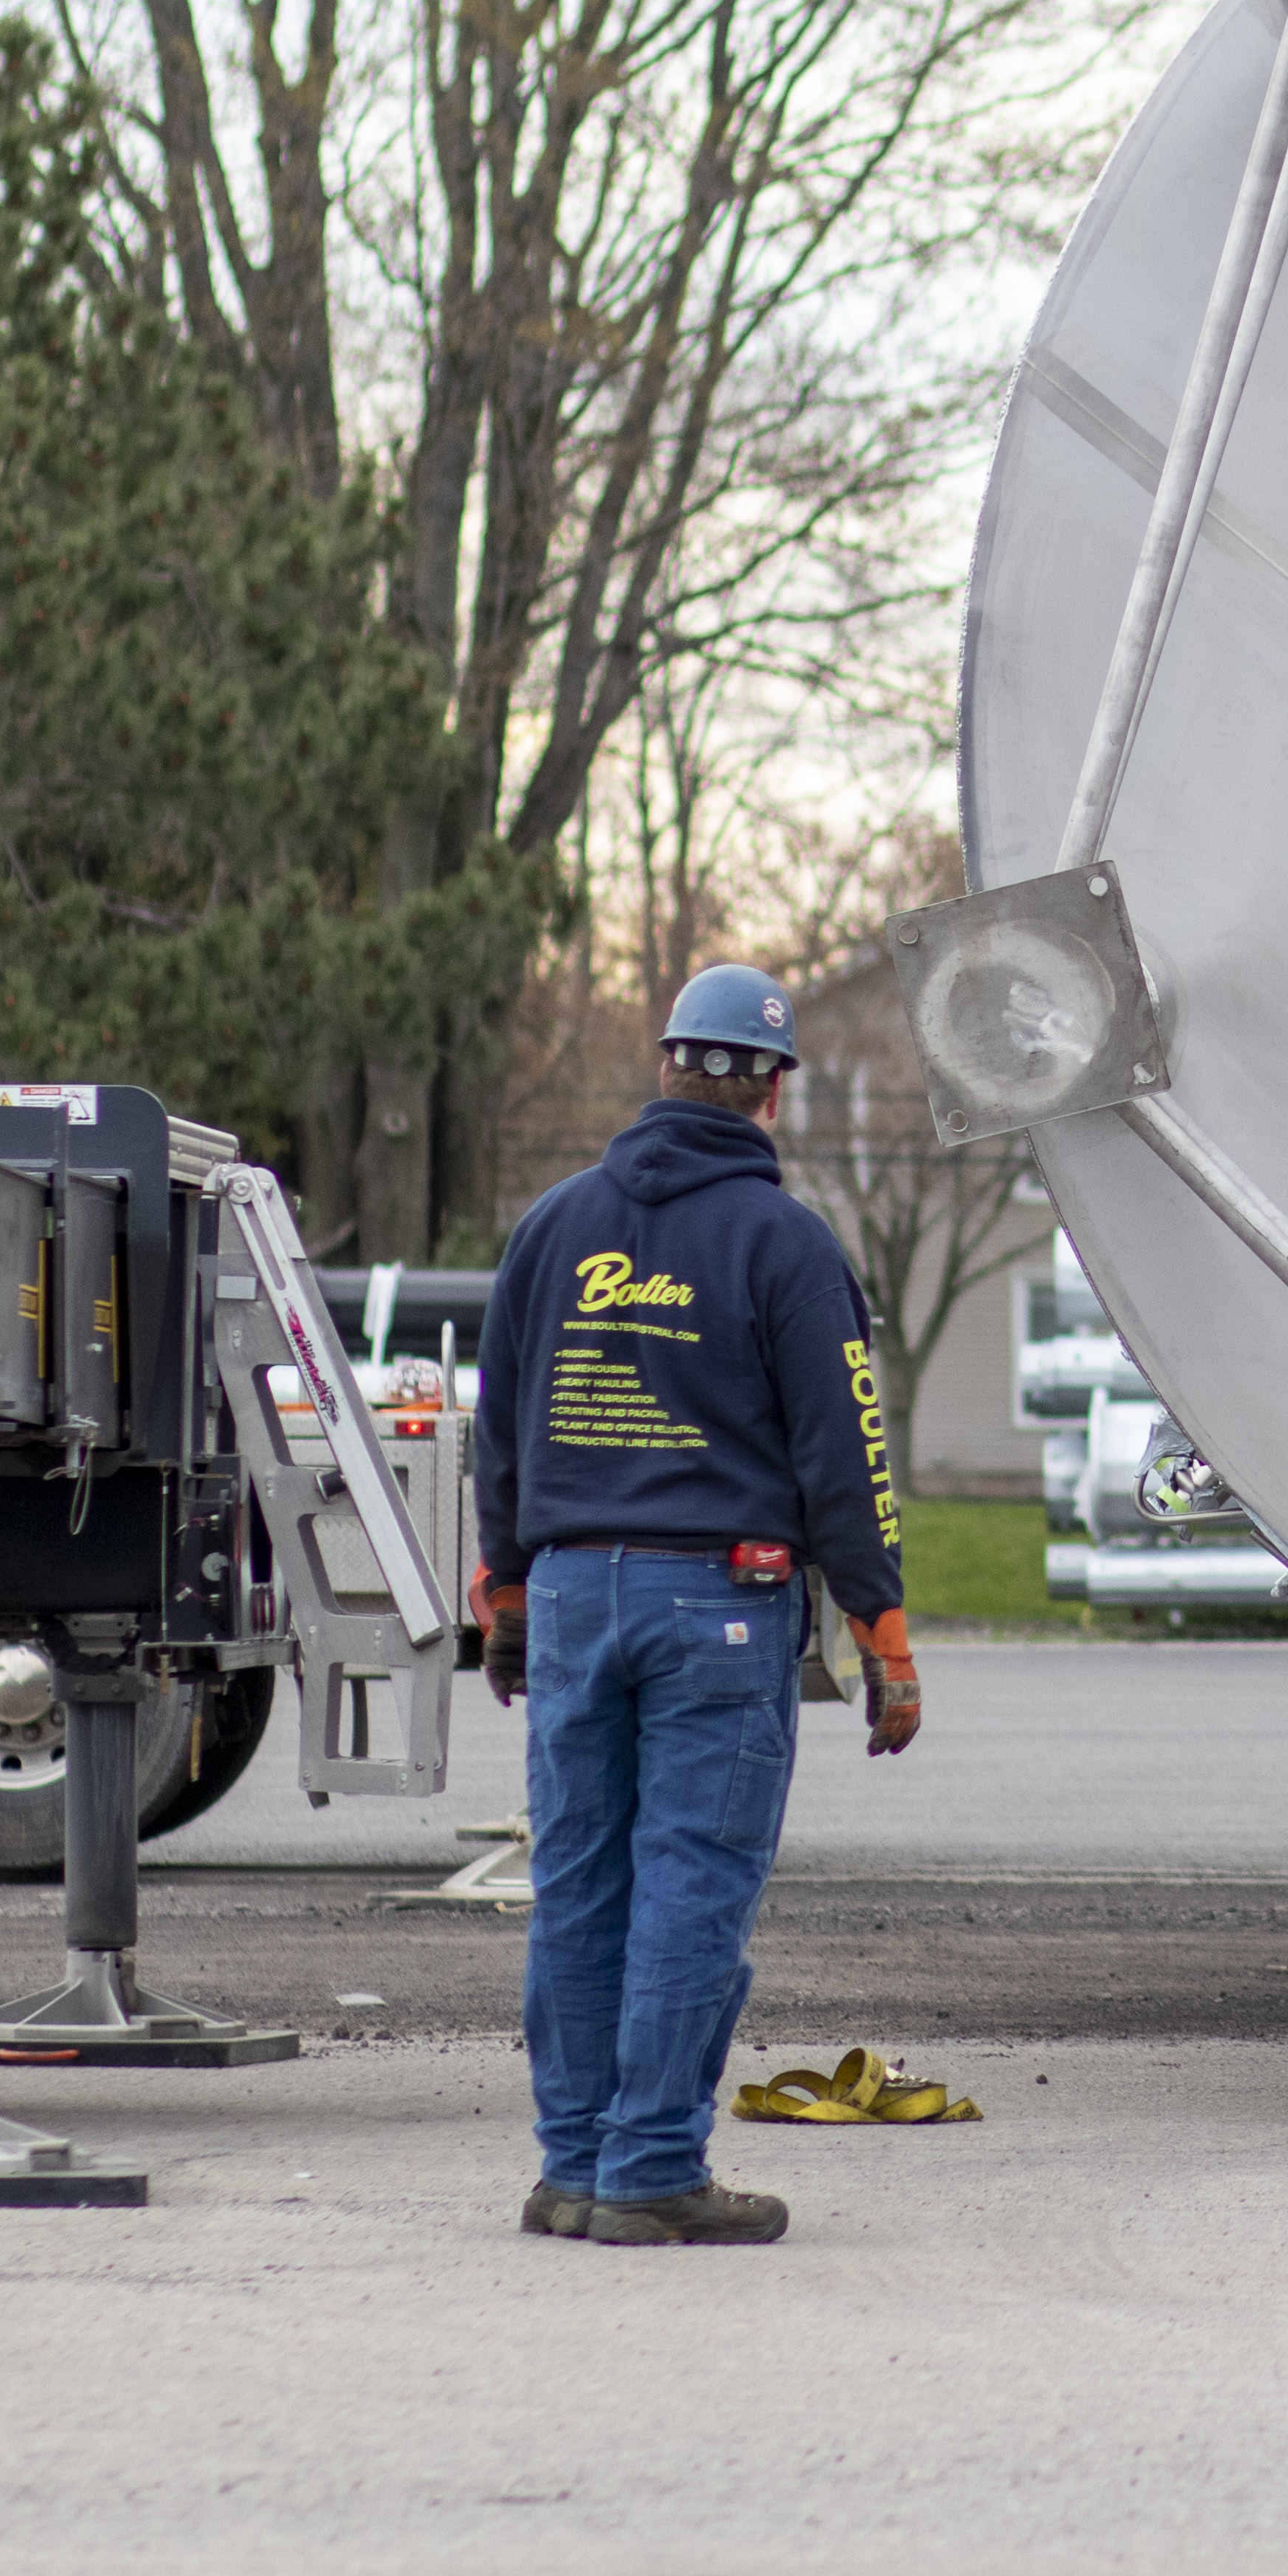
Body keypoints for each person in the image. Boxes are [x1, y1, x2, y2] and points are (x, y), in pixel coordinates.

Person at [471, 962, 917, 2246]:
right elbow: (846, 1457)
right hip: (719, 1603)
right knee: (690, 1882)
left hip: (567, 1595)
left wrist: (505, 1585)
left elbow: (499, 1424)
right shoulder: (786, 1244)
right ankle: (654, 2168)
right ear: (770, 1091)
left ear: (667, 1067)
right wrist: (884, 1636)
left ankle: (573, 2169)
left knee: (579, 1881)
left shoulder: (553, 1227)